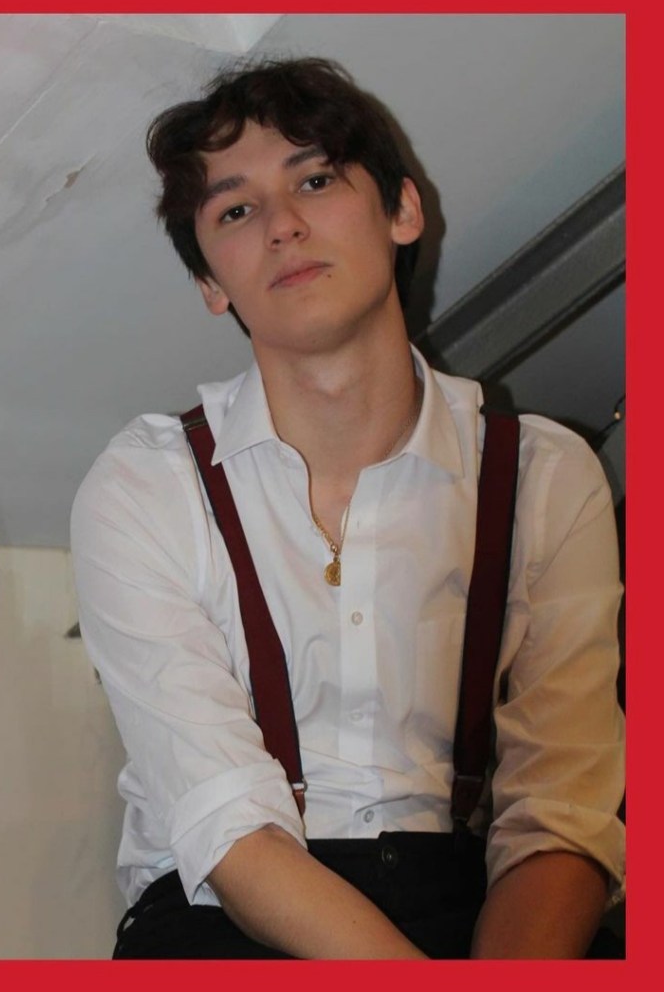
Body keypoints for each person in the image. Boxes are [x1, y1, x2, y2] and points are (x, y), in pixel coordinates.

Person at [69, 57, 624, 959]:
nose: (283, 224)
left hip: (481, 911)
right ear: (212, 284)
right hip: (229, 915)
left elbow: (560, 813)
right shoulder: (147, 486)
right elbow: (229, 826)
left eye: (316, 179)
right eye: (236, 210)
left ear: (403, 210)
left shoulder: (546, 477)